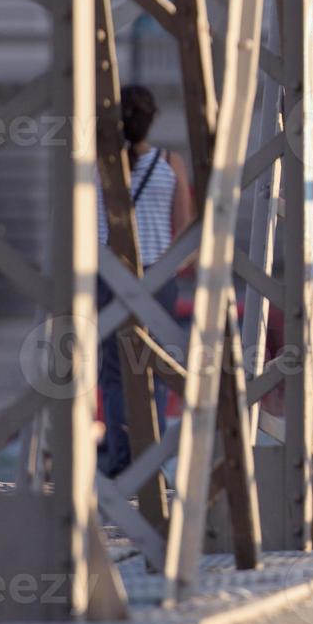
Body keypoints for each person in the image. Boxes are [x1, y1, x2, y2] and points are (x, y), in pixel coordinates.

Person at [96, 84, 194, 477]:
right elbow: (184, 231)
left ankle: (123, 461)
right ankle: (150, 463)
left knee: (115, 372)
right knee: (154, 367)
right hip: (158, 276)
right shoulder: (171, 163)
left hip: (109, 275)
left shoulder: (100, 166)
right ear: (152, 120)